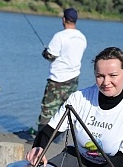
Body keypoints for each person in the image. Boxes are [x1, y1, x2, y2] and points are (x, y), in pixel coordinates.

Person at [37, 7, 87, 135]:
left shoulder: (59, 36)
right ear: (75, 20)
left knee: (47, 108)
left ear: (64, 19)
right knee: (66, 108)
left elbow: (51, 55)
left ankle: (41, 138)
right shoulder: (82, 37)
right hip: (74, 78)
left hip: (57, 79)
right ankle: (60, 135)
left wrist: (45, 53)